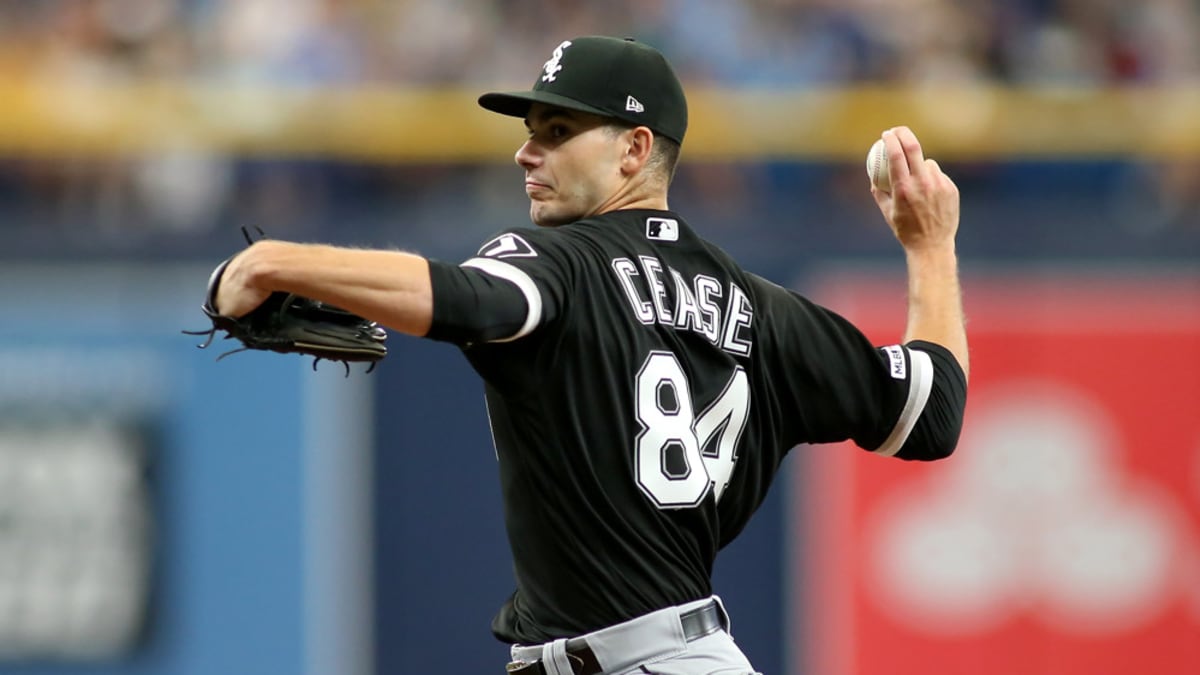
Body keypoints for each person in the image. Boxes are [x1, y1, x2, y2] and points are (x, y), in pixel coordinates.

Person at [212, 35, 968, 675]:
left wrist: (275, 261)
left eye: (557, 130)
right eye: (532, 129)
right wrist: (930, 246)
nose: (525, 151)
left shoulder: (559, 264)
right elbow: (931, 410)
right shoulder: (766, 311)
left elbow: (467, 299)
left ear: (636, 148)